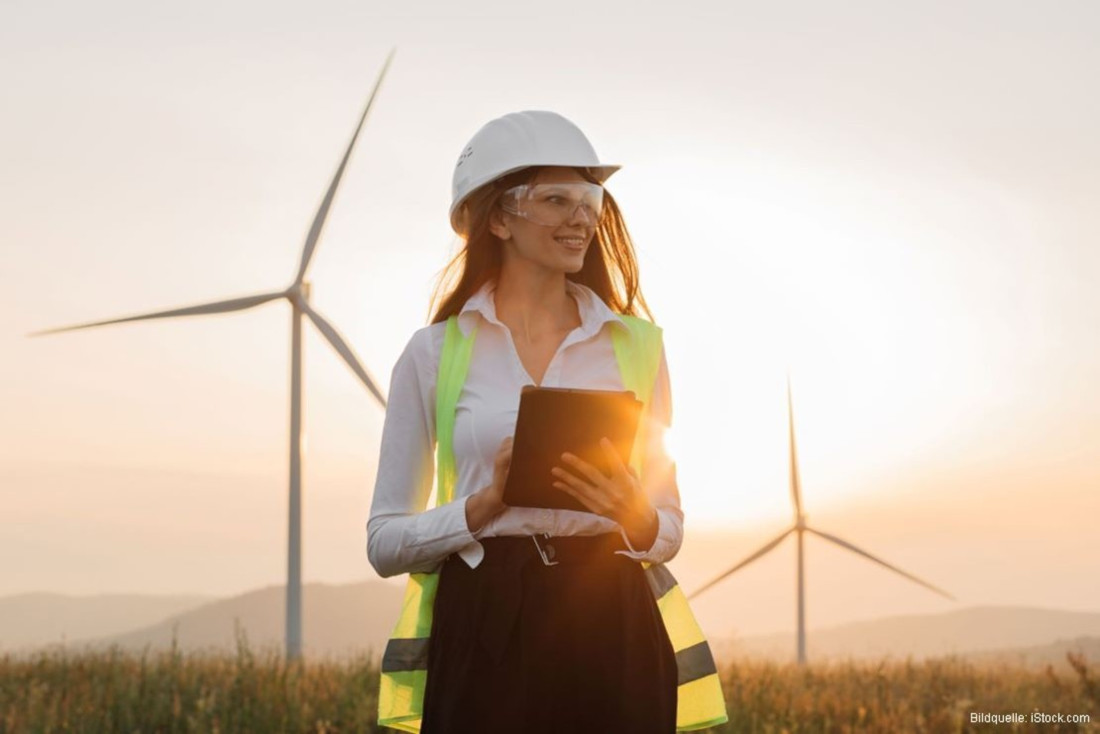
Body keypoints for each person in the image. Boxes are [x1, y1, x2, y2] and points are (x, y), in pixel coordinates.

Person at [367, 111, 726, 733]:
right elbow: (383, 542)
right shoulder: (431, 355)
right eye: (555, 199)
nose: (581, 217)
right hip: (486, 625)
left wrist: (633, 510)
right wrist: (484, 505)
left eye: (589, 200)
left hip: (612, 620)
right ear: (499, 219)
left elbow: (667, 527)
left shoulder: (637, 347)